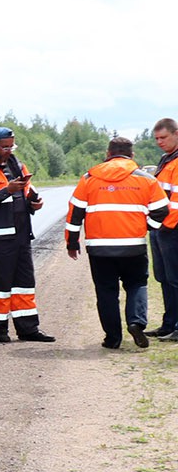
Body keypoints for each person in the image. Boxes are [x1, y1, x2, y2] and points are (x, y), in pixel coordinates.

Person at [65, 136, 173, 349]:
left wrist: (72, 242)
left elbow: (74, 213)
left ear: (108, 154)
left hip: (99, 248)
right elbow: (162, 210)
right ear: (132, 155)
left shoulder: (88, 178)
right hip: (133, 245)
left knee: (106, 291)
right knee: (137, 284)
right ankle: (136, 322)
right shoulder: (146, 179)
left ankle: (112, 339)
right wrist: (147, 225)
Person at [0, 126, 53, 343]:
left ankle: (28, 330)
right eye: (4, 147)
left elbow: (26, 195)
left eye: (11, 146)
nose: (8, 150)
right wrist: (7, 190)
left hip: (21, 235)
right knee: (0, 287)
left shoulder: (18, 166)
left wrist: (34, 203)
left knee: (24, 285)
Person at [151, 117, 178, 339]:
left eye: (164, 137)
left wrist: (165, 226)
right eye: (157, 139)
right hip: (161, 228)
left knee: (175, 279)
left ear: (176, 134)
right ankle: (168, 324)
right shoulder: (166, 160)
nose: (160, 142)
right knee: (164, 278)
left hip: (172, 229)